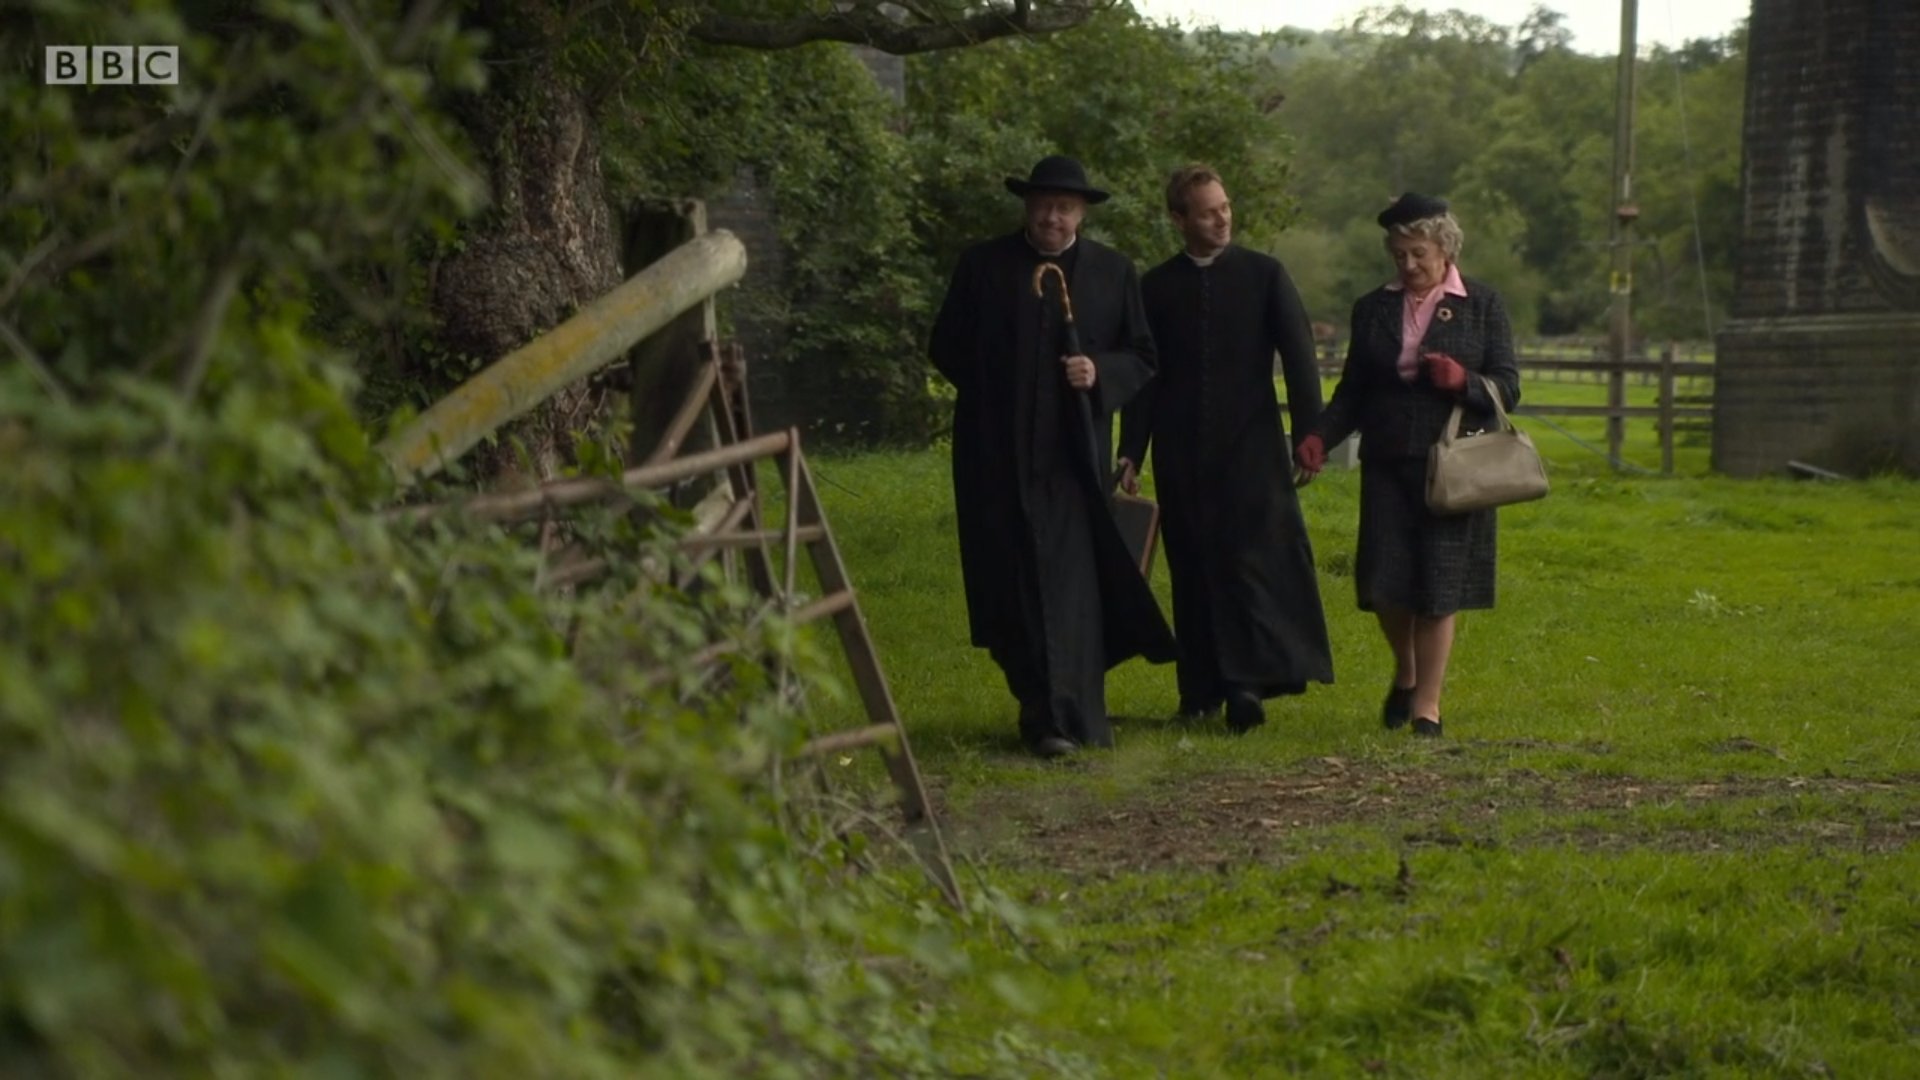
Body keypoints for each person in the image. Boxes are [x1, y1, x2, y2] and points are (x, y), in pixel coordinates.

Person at [929, 155, 1176, 758]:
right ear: (1027, 207)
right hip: (996, 456)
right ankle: (1038, 705)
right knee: (1010, 580)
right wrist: (1003, 384)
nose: (1052, 217)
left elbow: (1142, 357)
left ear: (1083, 213)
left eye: (1065, 208)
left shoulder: (1113, 273)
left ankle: (1066, 716)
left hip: (1072, 459)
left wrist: (1099, 372)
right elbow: (947, 347)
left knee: (1068, 584)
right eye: (1043, 205)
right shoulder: (983, 266)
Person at [1293, 193, 1521, 738]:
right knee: (1384, 586)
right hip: (1387, 461)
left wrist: (1463, 384)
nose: (1408, 265)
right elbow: (1354, 389)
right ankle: (1407, 669)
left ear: (1445, 247)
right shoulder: (1371, 308)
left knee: (1439, 585)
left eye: (1417, 253)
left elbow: (1509, 385)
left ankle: (1427, 707)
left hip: (1454, 466)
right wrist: (1321, 436)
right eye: (1398, 255)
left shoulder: (1483, 305)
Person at [1116, 165, 1333, 733]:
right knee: (1193, 566)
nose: (1222, 218)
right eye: (1208, 211)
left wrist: (1312, 433)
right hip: (1181, 450)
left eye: (1225, 206)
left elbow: (1300, 356)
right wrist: (1130, 451)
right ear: (1179, 219)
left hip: (1253, 447)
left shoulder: (1265, 275)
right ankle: (1199, 689)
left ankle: (1248, 683)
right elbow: (1145, 377)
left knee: (1252, 562)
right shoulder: (1156, 287)